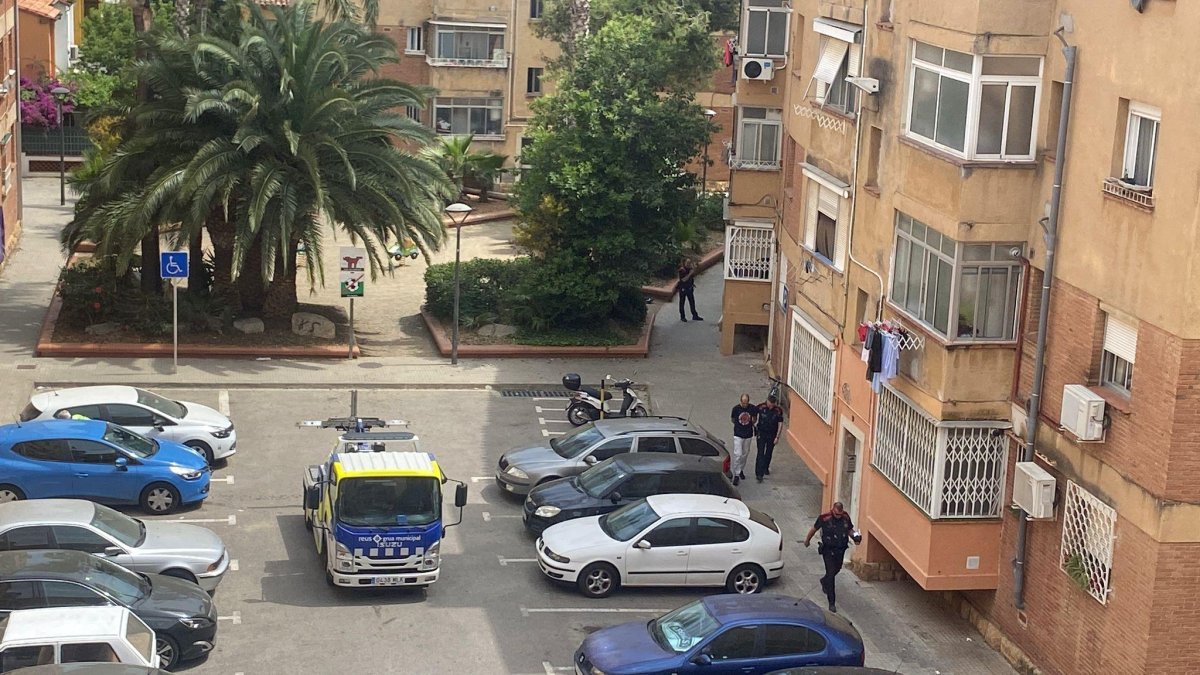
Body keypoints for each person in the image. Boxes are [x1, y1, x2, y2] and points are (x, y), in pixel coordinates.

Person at [803, 502, 862, 613]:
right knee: (831, 575)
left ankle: (824, 581)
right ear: (833, 510)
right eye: (836, 514)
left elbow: (850, 530)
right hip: (828, 550)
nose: (838, 516)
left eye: (840, 514)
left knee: (837, 569)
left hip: (840, 550)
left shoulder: (845, 517)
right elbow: (814, 529)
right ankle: (832, 602)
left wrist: (856, 537)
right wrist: (807, 540)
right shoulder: (824, 518)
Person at [754, 395, 784, 482]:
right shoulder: (761, 407)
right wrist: (754, 424)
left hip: (772, 434)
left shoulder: (778, 410)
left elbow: (780, 423)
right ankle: (759, 474)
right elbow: (754, 414)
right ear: (767, 401)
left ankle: (765, 467)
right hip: (761, 433)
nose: (770, 406)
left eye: (772, 405)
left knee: (769, 452)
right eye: (769, 404)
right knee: (760, 453)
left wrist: (777, 437)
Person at [730, 394, 756, 485]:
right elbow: (733, 419)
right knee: (738, 454)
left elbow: (754, 419)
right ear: (740, 401)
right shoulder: (736, 409)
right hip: (738, 434)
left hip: (748, 434)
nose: (745, 405)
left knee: (745, 454)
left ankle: (741, 469)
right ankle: (736, 474)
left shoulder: (752, 408)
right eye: (743, 403)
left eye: (746, 403)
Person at [677, 258, 703, 322]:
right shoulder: (682, 270)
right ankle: (682, 316)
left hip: (689, 288)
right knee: (682, 302)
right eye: (687, 263)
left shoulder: (690, 269)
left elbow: (692, 277)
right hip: (683, 288)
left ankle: (694, 315)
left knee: (692, 302)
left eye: (689, 263)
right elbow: (683, 280)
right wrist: (690, 274)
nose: (689, 264)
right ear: (684, 263)